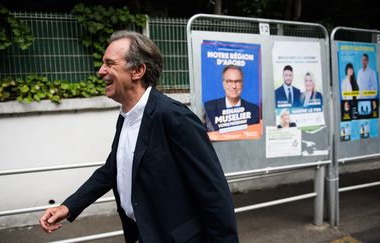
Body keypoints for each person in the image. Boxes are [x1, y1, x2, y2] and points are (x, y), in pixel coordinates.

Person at [39, 30, 238, 243]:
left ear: (137, 71)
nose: (100, 70)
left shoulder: (174, 116)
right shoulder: (126, 116)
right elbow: (112, 170)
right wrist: (68, 206)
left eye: (109, 63)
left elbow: (213, 193)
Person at [204, 64, 260, 132]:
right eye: (229, 81)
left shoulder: (254, 111)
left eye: (237, 82)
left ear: (242, 84)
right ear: (223, 84)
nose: (233, 86)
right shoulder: (209, 109)